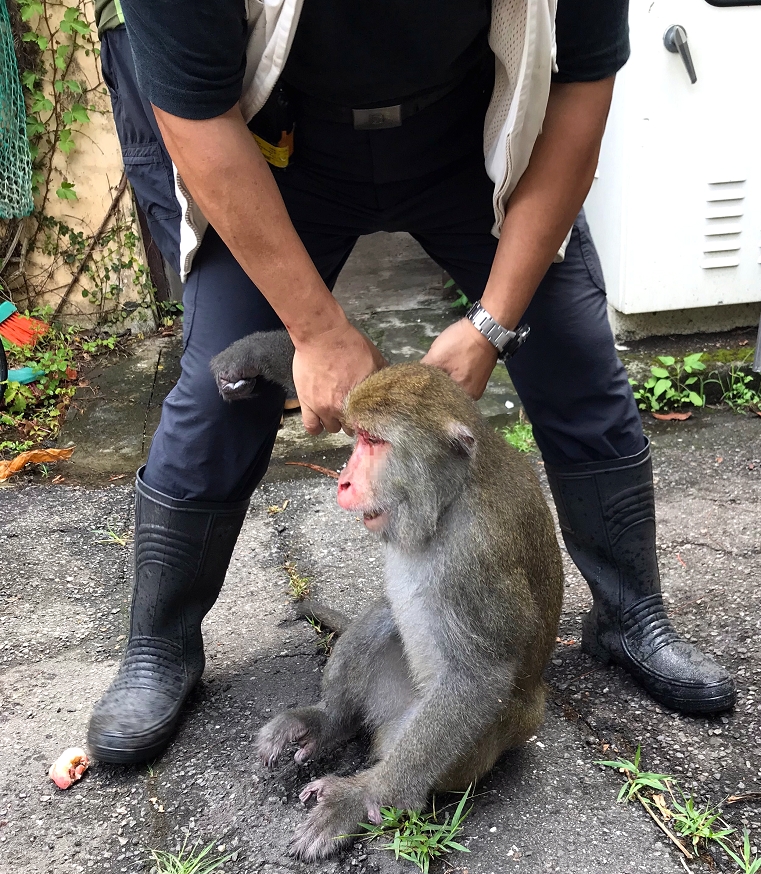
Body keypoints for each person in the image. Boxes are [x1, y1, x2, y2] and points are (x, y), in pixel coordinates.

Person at [87, 0, 736, 765]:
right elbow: (196, 121)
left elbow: (584, 87)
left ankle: (631, 617)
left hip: (463, 130)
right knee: (216, 395)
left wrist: (492, 321)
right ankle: (160, 648)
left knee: (574, 360)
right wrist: (317, 332)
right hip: (274, 142)